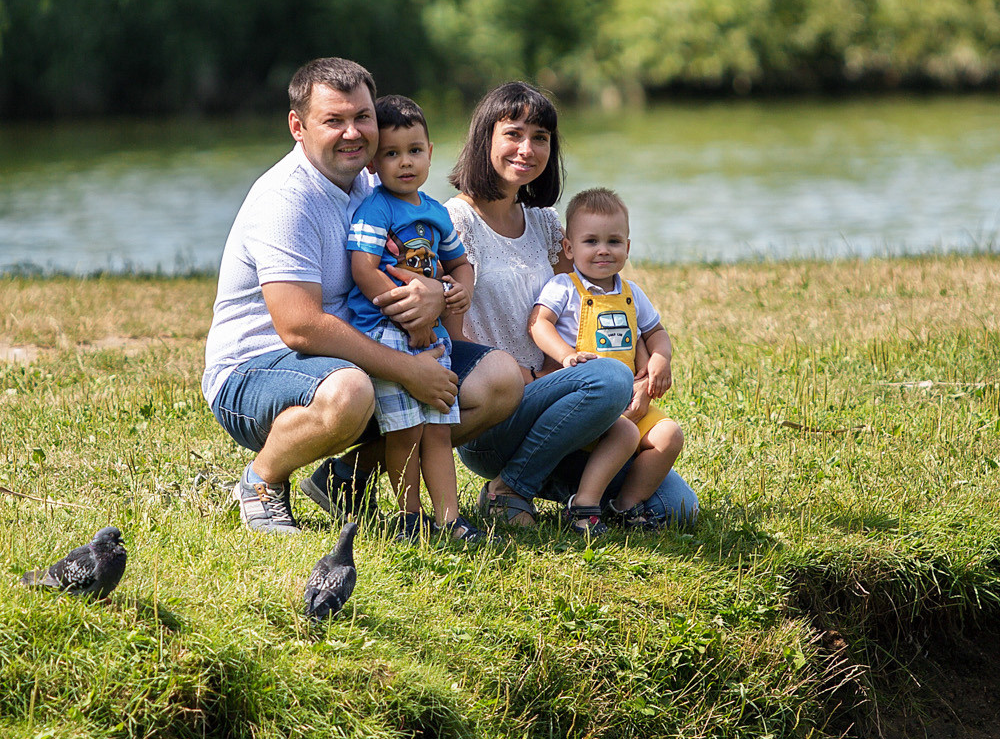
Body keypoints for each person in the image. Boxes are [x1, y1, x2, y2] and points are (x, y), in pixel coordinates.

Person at [202, 58, 519, 534]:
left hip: (363, 352)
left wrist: (436, 292)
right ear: (298, 126)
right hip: (257, 368)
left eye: (362, 117)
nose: (353, 132)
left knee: (499, 379)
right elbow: (300, 327)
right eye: (334, 120)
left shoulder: (375, 183)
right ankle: (261, 482)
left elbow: (425, 258)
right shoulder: (286, 200)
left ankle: (345, 479)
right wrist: (409, 371)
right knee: (350, 392)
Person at [443, 82, 700, 529]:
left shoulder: (543, 222)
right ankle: (509, 488)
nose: (527, 148)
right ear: (485, 137)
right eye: (514, 134)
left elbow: (594, 297)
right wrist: (519, 374)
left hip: (569, 405)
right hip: (498, 409)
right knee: (606, 378)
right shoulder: (456, 221)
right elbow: (453, 338)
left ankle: (580, 496)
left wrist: (643, 373)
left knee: (675, 507)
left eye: (540, 137)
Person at [342, 96, 476, 536]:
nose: (405, 163)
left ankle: (450, 519)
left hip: (432, 334)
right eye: (391, 153)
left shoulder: (437, 211)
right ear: (372, 164)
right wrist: (411, 319)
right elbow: (363, 268)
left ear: (431, 152)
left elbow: (459, 263)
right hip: (386, 331)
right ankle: (409, 519)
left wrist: (460, 289)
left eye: (414, 151)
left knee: (438, 429)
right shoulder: (376, 209)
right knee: (406, 432)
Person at [528, 187, 683, 534]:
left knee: (670, 434)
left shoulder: (631, 293)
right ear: (569, 248)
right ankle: (583, 505)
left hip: (629, 401)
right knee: (625, 433)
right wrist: (565, 355)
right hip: (586, 402)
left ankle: (626, 507)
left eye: (614, 241)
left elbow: (656, 332)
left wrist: (660, 358)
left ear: (627, 247)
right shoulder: (563, 287)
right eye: (590, 241)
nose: (603, 250)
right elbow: (539, 323)